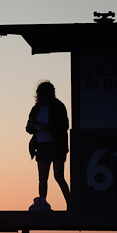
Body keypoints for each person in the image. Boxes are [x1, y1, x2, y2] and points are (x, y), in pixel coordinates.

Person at [26, 80, 71, 209]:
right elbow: (28, 129)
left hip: (56, 145)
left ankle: (70, 203)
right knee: (43, 178)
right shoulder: (36, 108)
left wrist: (48, 127)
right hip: (41, 145)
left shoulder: (58, 106)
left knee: (58, 176)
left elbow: (64, 126)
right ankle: (42, 204)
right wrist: (32, 126)